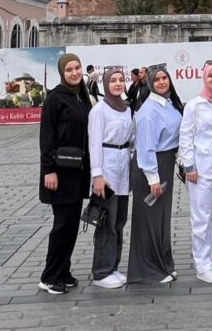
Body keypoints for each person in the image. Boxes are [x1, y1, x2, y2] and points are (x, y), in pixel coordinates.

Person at [38, 52, 95, 295]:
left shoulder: (80, 96)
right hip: (59, 173)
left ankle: (63, 270)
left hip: (76, 171)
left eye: (77, 68)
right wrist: (49, 170)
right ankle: (50, 277)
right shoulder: (55, 99)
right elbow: (46, 138)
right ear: (62, 73)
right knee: (62, 225)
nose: (74, 73)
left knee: (71, 225)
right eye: (69, 69)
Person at [128, 64, 183, 283]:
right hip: (151, 168)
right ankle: (147, 270)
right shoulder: (150, 111)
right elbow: (145, 147)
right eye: (157, 79)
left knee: (161, 219)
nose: (161, 82)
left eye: (164, 78)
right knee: (149, 220)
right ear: (150, 82)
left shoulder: (167, 103)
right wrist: (153, 179)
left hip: (165, 163)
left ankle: (163, 263)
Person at [179, 62, 212, 283]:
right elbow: (185, 136)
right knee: (201, 219)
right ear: (204, 78)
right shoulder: (195, 105)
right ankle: (202, 264)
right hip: (200, 171)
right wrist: (189, 166)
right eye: (211, 76)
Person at [87, 66, 134, 289]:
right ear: (105, 84)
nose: (117, 84)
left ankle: (113, 265)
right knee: (106, 222)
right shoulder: (99, 111)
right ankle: (101, 271)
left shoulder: (126, 109)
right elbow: (94, 143)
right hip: (106, 170)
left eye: (120, 80)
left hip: (123, 168)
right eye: (112, 80)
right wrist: (97, 175)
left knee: (119, 221)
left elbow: (131, 138)